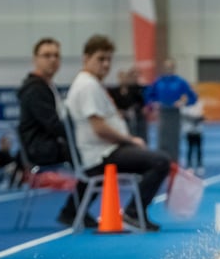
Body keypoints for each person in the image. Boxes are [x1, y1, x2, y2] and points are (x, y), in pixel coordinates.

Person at [65, 34, 171, 232]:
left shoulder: (91, 83)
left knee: (154, 158)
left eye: (108, 59)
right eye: (100, 59)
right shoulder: (87, 85)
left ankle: (72, 210)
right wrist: (130, 140)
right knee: (160, 161)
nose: (105, 64)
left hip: (104, 150)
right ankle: (132, 212)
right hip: (102, 154)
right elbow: (99, 128)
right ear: (86, 58)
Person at [16, 37, 81, 224]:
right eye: (47, 55)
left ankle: (76, 208)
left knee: (86, 151)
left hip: (46, 144)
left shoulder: (46, 86)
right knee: (89, 155)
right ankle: (74, 210)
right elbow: (53, 125)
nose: (52, 59)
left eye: (56, 56)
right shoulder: (35, 90)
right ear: (35, 59)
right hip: (40, 149)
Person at [146, 57, 198, 162]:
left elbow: (193, 97)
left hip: (175, 114)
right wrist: (153, 104)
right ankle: (161, 163)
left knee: (174, 141)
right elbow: (148, 96)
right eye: (167, 67)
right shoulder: (158, 82)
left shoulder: (180, 82)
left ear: (174, 68)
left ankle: (174, 164)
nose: (169, 69)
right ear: (164, 68)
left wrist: (183, 102)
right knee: (161, 141)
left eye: (171, 66)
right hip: (162, 114)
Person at [108, 67, 149, 143]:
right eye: (121, 77)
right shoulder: (114, 91)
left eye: (124, 77)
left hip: (132, 117)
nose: (123, 80)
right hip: (120, 117)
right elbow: (111, 103)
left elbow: (139, 102)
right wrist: (118, 111)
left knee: (134, 131)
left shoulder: (133, 90)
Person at [182, 100, 205, 175]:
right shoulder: (185, 105)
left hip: (198, 130)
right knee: (190, 148)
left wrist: (199, 118)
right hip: (189, 130)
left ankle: (199, 165)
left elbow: (201, 115)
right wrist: (194, 118)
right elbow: (185, 116)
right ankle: (189, 166)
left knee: (199, 149)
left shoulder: (198, 103)